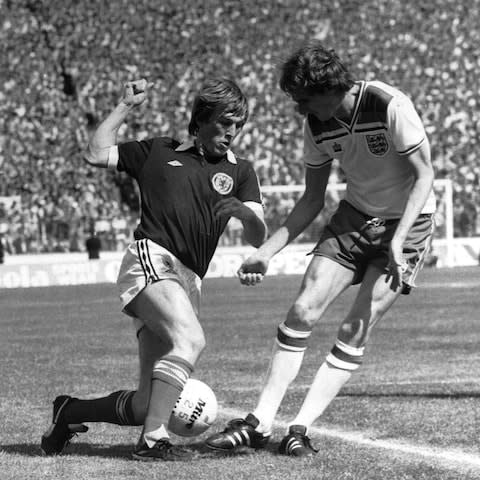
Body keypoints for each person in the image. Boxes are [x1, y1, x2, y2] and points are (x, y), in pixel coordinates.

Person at [205, 41, 436, 457]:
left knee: (354, 326)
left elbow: (424, 176)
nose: (299, 108)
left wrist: (398, 242)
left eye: (303, 99)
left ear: (328, 87)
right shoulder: (316, 125)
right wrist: (267, 251)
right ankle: (258, 423)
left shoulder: (387, 105)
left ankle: (300, 427)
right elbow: (312, 199)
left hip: (409, 223)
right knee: (302, 310)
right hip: (355, 217)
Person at [41, 78, 267, 461]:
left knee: (146, 405)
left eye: (239, 125)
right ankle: (152, 442)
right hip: (152, 259)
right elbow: (96, 153)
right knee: (190, 340)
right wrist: (125, 106)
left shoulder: (241, 172)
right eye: (225, 122)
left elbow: (258, 235)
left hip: (188, 282)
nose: (232, 132)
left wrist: (245, 213)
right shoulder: (157, 151)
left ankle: (70, 412)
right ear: (201, 119)